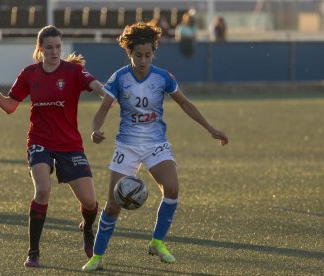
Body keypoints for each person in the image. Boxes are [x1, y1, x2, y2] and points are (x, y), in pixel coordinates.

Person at [82, 22, 228, 271]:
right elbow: (102, 109)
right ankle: (97, 255)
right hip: (127, 145)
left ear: (154, 53)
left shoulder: (163, 77)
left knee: (172, 189)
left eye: (148, 55)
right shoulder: (120, 78)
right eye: (138, 55)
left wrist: (211, 128)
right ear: (129, 53)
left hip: (155, 143)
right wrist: (95, 130)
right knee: (114, 204)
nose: (143, 60)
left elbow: (185, 104)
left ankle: (157, 242)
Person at [0, 25, 104, 268]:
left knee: (90, 202)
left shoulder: (74, 71)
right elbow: (10, 106)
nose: (54, 51)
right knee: (42, 190)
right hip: (39, 142)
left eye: (58, 46)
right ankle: (33, 252)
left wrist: (107, 96)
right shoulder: (29, 74)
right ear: (40, 49)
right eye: (49, 47)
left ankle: (87, 227)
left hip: (70, 144)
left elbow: (99, 89)